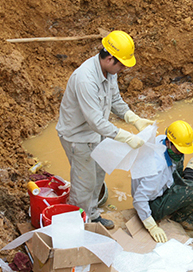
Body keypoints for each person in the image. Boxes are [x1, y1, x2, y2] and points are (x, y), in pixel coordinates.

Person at [56, 30, 154, 229]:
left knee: (98, 175)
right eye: (122, 65)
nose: (123, 69)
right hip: (78, 137)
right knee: (84, 184)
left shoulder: (109, 72)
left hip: (97, 134)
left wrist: (132, 118)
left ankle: (92, 214)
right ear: (110, 58)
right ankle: (78, 225)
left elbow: (115, 100)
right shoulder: (86, 79)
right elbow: (95, 121)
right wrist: (126, 137)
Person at [131, 120, 193, 243]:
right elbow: (139, 199)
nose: (180, 152)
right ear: (168, 143)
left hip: (162, 181)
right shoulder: (157, 169)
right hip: (153, 204)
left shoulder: (162, 140)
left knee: (178, 158)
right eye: (178, 149)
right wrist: (152, 227)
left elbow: (183, 142)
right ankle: (180, 218)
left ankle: (176, 192)